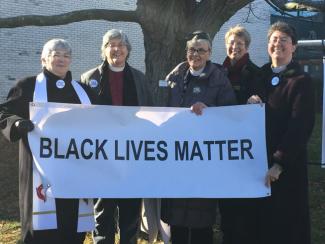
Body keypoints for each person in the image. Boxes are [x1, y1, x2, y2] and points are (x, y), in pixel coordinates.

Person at [0, 39, 96, 244]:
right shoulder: (27, 86)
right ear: (44, 59)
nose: (61, 59)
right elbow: (4, 113)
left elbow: (104, 120)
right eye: (56, 54)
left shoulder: (83, 92)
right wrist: (16, 124)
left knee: (72, 227)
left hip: (75, 172)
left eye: (66, 55)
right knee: (40, 232)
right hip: (39, 171)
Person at [160, 30, 236, 244]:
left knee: (202, 221)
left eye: (201, 50)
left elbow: (230, 113)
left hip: (205, 159)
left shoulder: (220, 79)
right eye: (192, 50)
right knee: (177, 221)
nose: (196, 54)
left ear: (210, 53)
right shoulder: (174, 78)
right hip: (177, 157)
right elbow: (162, 111)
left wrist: (209, 110)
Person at [81, 29, 152, 244]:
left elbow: (149, 112)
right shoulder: (88, 78)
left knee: (131, 210)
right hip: (102, 157)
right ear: (103, 50)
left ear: (128, 51)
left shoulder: (139, 78)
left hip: (132, 155)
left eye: (121, 45)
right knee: (103, 210)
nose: (116, 49)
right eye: (111, 44)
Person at [248, 21, 315, 244]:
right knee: (261, 225)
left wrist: (279, 163)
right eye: (274, 40)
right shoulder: (260, 76)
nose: (278, 44)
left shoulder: (301, 81)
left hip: (286, 169)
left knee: (286, 226)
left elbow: (301, 125)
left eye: (284, 40)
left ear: (294, 47)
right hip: (258, 164)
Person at [219, 25, 261, 244]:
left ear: (247, 47)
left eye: (240, 44)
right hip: (221, 150)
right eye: (231, 43)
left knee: (244, 209)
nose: (235, 47)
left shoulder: (257, 73)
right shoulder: (217, 72)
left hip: (244, 151)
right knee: (226, 208)